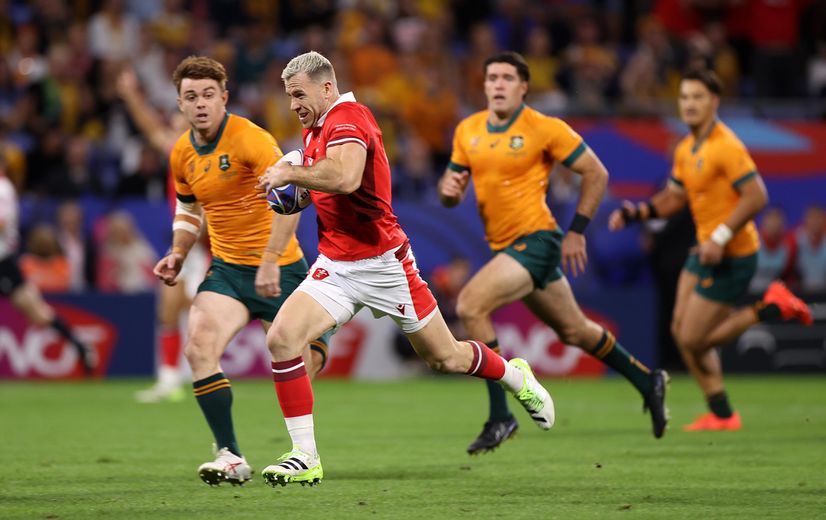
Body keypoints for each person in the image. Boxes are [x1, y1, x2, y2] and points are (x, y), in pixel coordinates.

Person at [255, 51, 554, 487]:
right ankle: (305, 457)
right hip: (336, 265)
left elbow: (346, 178)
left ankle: (514, 375)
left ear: (326, 87)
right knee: (282, 338)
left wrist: (291, 173)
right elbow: (320, 185)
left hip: (384, 264)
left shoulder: (349, 118)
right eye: (288, 97)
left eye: (299, 94)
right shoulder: (315, 130)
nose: (293, 105)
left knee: (445, 357)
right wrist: (294, 183)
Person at [438, 51, 669, 454]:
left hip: (538, 240)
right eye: (492, 77)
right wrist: (448, 192)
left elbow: (596, 172)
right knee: (575, 330)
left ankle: (500, 416)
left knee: (472, 305)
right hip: (509, 248)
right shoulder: (468, 130)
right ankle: (648, 380)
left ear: (524, 86)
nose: (497, 84)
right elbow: (450, 188)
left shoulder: (544, 128)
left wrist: (577, 230)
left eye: (507, 78)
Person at [153, 56, 330, 486]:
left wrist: (270, 259)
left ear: (224, 98)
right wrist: (178, 253)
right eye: (191, 97)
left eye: (208, 95)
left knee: (304, 364)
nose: (200, 104)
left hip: (282, 270)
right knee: (199, 348)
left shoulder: (251, 139)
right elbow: (188, 208)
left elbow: (292, 197)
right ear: (179, 103)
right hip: (229, 272)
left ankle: (304, 448)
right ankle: (229, 455)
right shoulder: (182, 152)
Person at [609, 67, 813, 432]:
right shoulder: (687, 147)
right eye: (684, 97)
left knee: (692, 338)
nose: (689, 104)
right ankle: (722, 414)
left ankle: (772, 306)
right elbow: (674, 197)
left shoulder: (726, 145)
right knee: (680, 331)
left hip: (733, 256)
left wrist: (719, 237)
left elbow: (757, 196)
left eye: (697, 97)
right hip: (704, 251)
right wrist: (638, 212)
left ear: (714, 102)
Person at [117, 66, 205, 403]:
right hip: (184, 244)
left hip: (207, 246)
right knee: (169, 310)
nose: (171, 129)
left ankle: (206, 376)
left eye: (177, 123)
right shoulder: (176, 151)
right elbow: (148, 125)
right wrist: (130, 95)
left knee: (201, 315)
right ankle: (169, 380)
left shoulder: (205, 157)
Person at [0, 160, 97, 376]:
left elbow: (2, 223)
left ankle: (81, 347)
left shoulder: (3, 189)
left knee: (38, 314)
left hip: (3, 262)